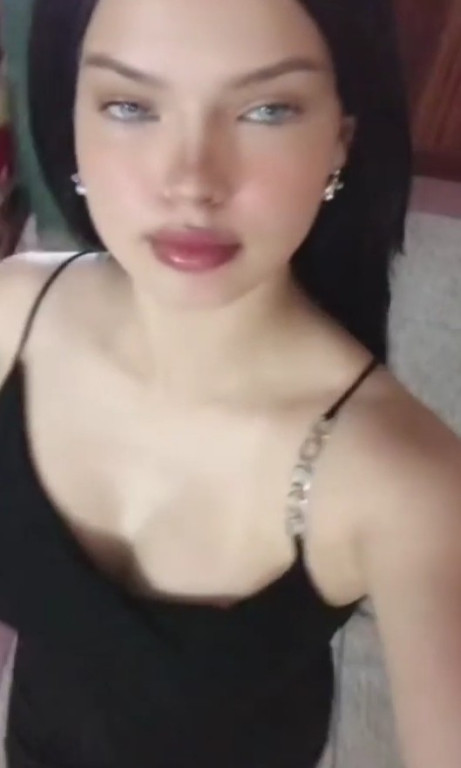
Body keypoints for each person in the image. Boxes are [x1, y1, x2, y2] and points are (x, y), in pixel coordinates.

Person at [1, 0, 461, 766]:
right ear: (70, 118)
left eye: (266, 109)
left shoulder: (400, 481)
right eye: (129, 106)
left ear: (340, 139)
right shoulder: (16, 312)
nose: (191, 181)